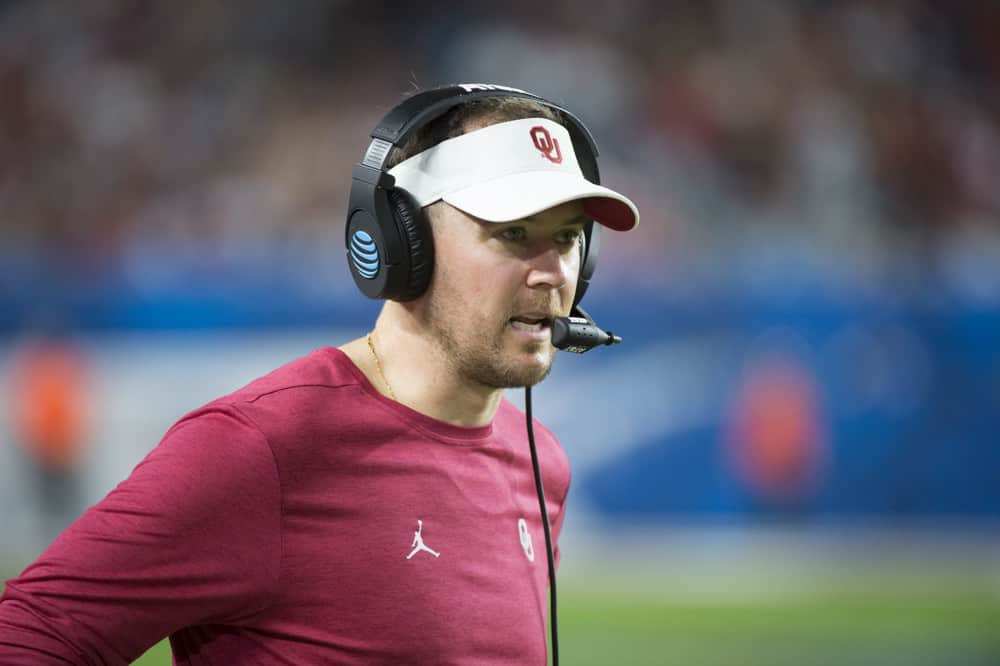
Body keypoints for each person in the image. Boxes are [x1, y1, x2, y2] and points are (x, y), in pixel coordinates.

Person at [0, 83, 639, 665]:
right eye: (514, 232)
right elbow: (30, 634)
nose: (552, 272)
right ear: (402, 245)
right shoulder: (263, 447)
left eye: (567, 237)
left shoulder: (540, 463)